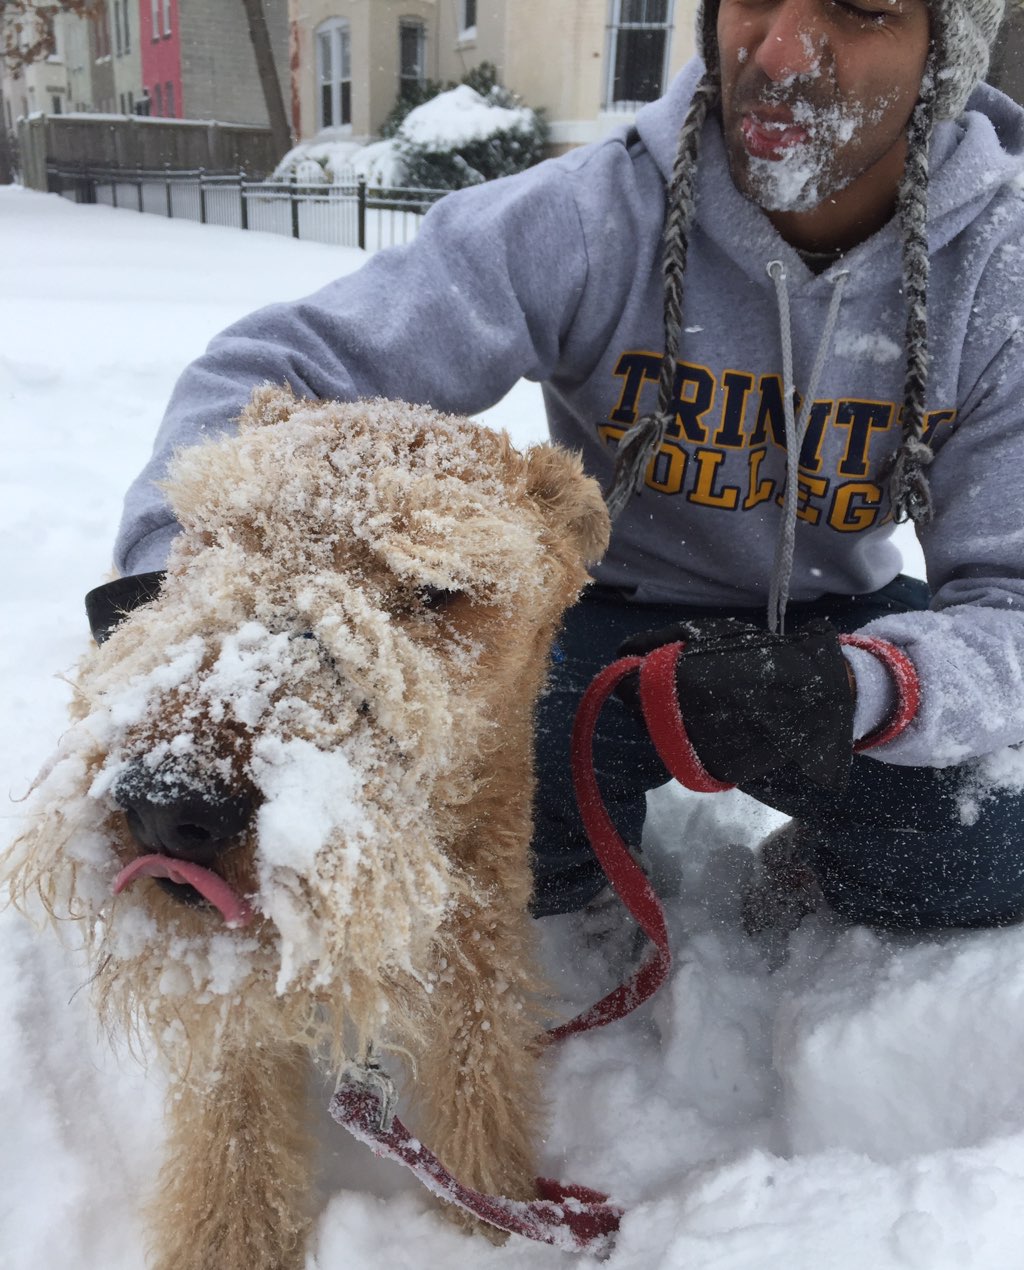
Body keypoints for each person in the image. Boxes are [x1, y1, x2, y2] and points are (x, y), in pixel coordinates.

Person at [109, 0, 1024, 931]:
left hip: (837, 629)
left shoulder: (1001, 271)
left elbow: (1013, 602)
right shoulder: (592, 214)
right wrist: (176, 591)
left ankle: (837, 843)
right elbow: (275, 370)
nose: (778, 51)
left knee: (981, 855)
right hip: (597, 618)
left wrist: (867, 690)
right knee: (491, 858)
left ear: (945, 53)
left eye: (862, 7)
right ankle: (583, 875)